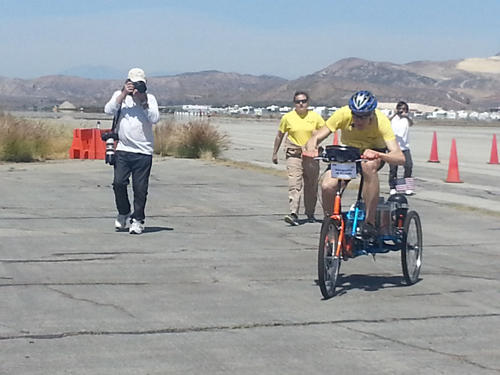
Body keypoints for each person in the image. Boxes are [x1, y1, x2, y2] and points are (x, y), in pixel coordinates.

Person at [304, 90, 404, 239]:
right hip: (349, 154)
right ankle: (332, 223)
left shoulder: (381, 121)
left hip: (373, 153)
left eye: (364, 116)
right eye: (356, 116)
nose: (359, 120)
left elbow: (400, 157)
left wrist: (379, 155)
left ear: (371, 114)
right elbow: (315, 137)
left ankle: (369, 222)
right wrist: (311, 149)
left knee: (368, 166)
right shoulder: (342, 114)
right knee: (327, 185)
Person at [104, 68, 160, 234]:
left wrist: (142, 101)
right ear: (126, 83)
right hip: (123, 149)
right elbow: (108, 110)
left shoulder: (149, 99)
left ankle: (137, 219)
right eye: (132, 84)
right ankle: (123, 212)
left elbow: (155, 118)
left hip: (143, 152)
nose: (135, 88)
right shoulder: (120, 97)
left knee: (140, 188)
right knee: (118, 183)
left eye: (139, 84)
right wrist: (122, 95)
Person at [272, 91, 325, 226]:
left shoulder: (316, 117)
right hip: (293, 154)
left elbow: (326, 131)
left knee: (311, 185)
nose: (301, 104)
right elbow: (280, 135)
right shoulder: (288, 118)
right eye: (298, 101)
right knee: (294, 184)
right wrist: (275, 153)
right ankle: (293, 213)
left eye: (304, 101)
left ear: (308, 102)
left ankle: (310, 213)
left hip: (311, 155)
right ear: (294, 103)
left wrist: (317, 137)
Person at [388, 101, 414, 196]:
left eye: (404, 109)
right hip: (393, 147)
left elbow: (411, 123)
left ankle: (407, 187)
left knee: (408, 166)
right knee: (393, 169)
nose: (401, 111)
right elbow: (386, 121)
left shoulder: (407, 119)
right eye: (400, 109)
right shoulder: (393, 118)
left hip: (405, 147)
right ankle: (393, 187)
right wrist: (395, 113)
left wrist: (406, 116)